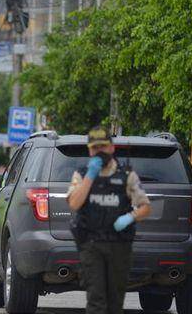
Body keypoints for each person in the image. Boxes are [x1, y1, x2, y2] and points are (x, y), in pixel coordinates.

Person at [66, 126, 151, 314]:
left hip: (119, 245)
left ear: (112, 148)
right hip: (91, 245)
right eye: (95, 148)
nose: (99, 152)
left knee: (115, 302)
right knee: (96, 301)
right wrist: (90, 176)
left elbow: (145, 207)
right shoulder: (82, 174)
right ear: (89, 150)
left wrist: (129, 217)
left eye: (103, 147)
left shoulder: (126, 175)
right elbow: (74, 203)